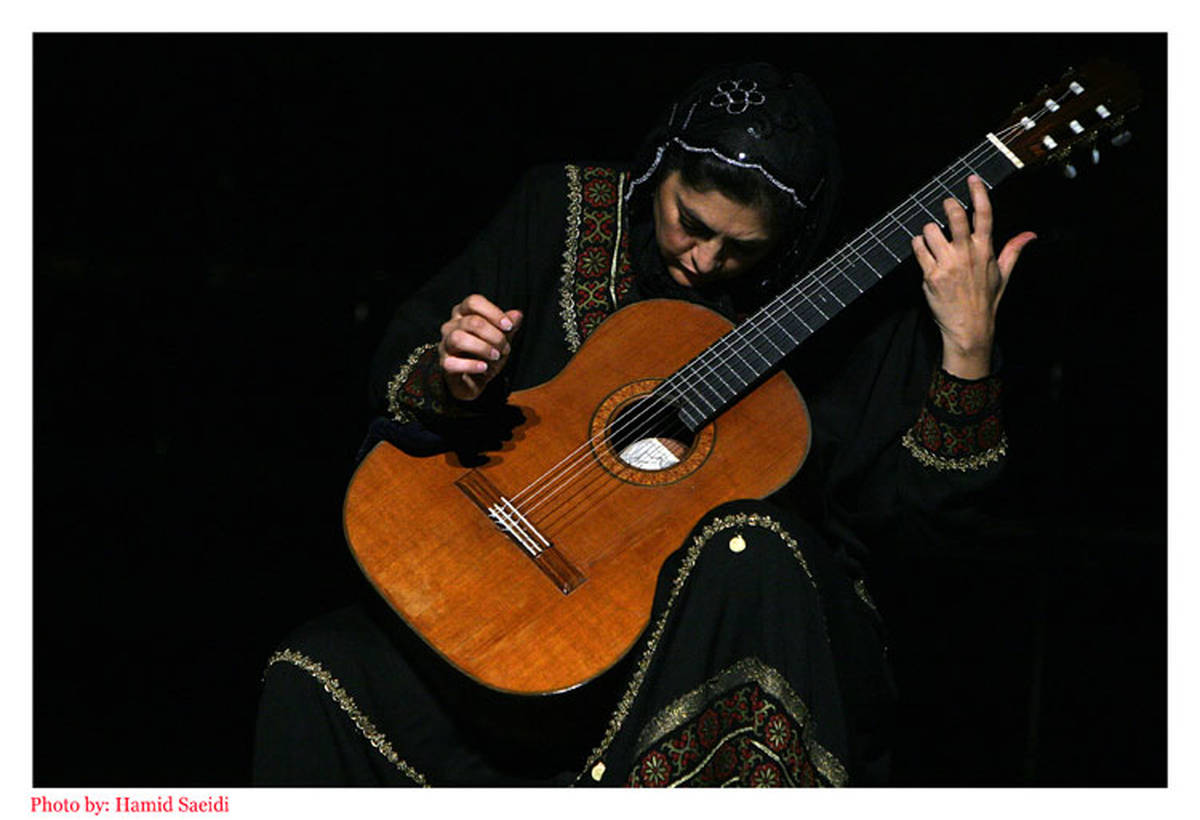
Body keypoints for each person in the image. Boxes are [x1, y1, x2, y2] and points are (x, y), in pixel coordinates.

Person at [253, 62, 1032, 787]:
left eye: (741, 247)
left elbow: (930, 539)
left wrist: (967, 348)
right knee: (311, 668)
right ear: (660, 165)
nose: (705, 260)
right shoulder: (562, 209)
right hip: (513, 616)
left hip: (692, 653)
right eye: (689, 221)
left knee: (748, 542)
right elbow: (399, 377)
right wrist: (459, 374)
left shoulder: (844, 325)